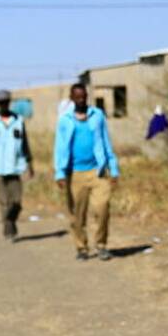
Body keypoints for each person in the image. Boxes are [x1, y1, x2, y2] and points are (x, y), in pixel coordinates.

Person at [53, 82, 120, 261]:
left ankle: (101, 245)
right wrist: (59, 172)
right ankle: (82, 247)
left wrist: (113, 168)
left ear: (87, 97)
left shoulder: (97, 115)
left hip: (98, 171)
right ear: (72, 98)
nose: (81, 100)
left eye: (83, 96)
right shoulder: (65, 120)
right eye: (77, 97)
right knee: (77, 214)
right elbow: (59, 147)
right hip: (75, 173)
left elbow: (106, 141)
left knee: (102, 207)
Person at [0, 89, 33, 240]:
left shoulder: (18, 121)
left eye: (6, 102)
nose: (3, 105)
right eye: (1, 103)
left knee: (16, 202)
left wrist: (30, 163)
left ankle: (10, 220)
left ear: (9, 103)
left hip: (15, 166)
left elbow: (25, 143)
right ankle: (9, 228)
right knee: (4, 201)